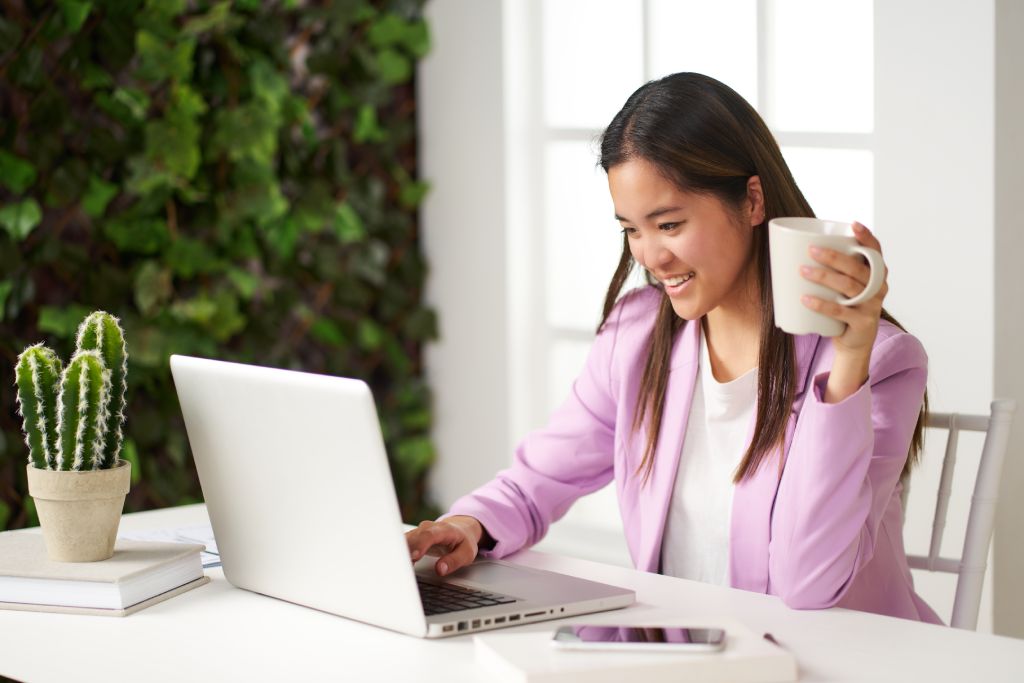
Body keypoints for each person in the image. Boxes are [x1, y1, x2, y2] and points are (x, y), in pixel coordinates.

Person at [406, 72, 941, 624]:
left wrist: (849, 362)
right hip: (695, 656)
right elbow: (541, 477)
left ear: (752, 200)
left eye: (669, 224)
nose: (651, 256)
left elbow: (810, 582)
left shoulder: (880, 363)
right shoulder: (636, 338)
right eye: (632, 230)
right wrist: (470, 524)